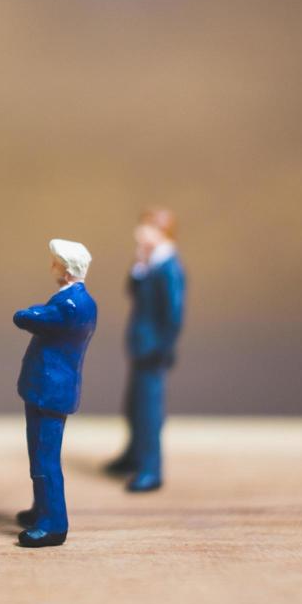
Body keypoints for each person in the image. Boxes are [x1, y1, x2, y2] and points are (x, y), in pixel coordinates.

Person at [13, 238, 98, 548]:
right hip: (43, 386)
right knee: (38, 454)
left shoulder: (71, 304)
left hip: (51, 388)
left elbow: (30, 318)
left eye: (56, 263)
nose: (52, 267)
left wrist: (27, 311)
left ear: (66, 269)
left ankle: (54, 523)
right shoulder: (73, 300)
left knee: (46, 458)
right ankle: (41, 509)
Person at [106, 207, 186, 492]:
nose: (140, 233)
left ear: (163, 233)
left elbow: (174, 313)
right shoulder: (149, 261)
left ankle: (151, 468)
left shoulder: (169, 267)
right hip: (141, 344)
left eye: (148, 228)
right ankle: (134, 454)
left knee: (149, 410)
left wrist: (164, 347)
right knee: (133, 405)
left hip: (153, 350)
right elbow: (133, 291)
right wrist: (138, 266)